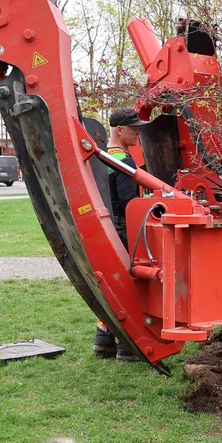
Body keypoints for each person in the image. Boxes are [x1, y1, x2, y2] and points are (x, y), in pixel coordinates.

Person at [94, 107, 149, 362]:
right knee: (133, 284)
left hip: (110, 226)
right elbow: (129, 202)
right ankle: (128, 347)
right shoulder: (124, 161)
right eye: (134, 128)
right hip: (125, 227)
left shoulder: (104, 156)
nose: (138, 131)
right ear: (120, 130)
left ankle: (104, 340)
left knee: (114, 283)